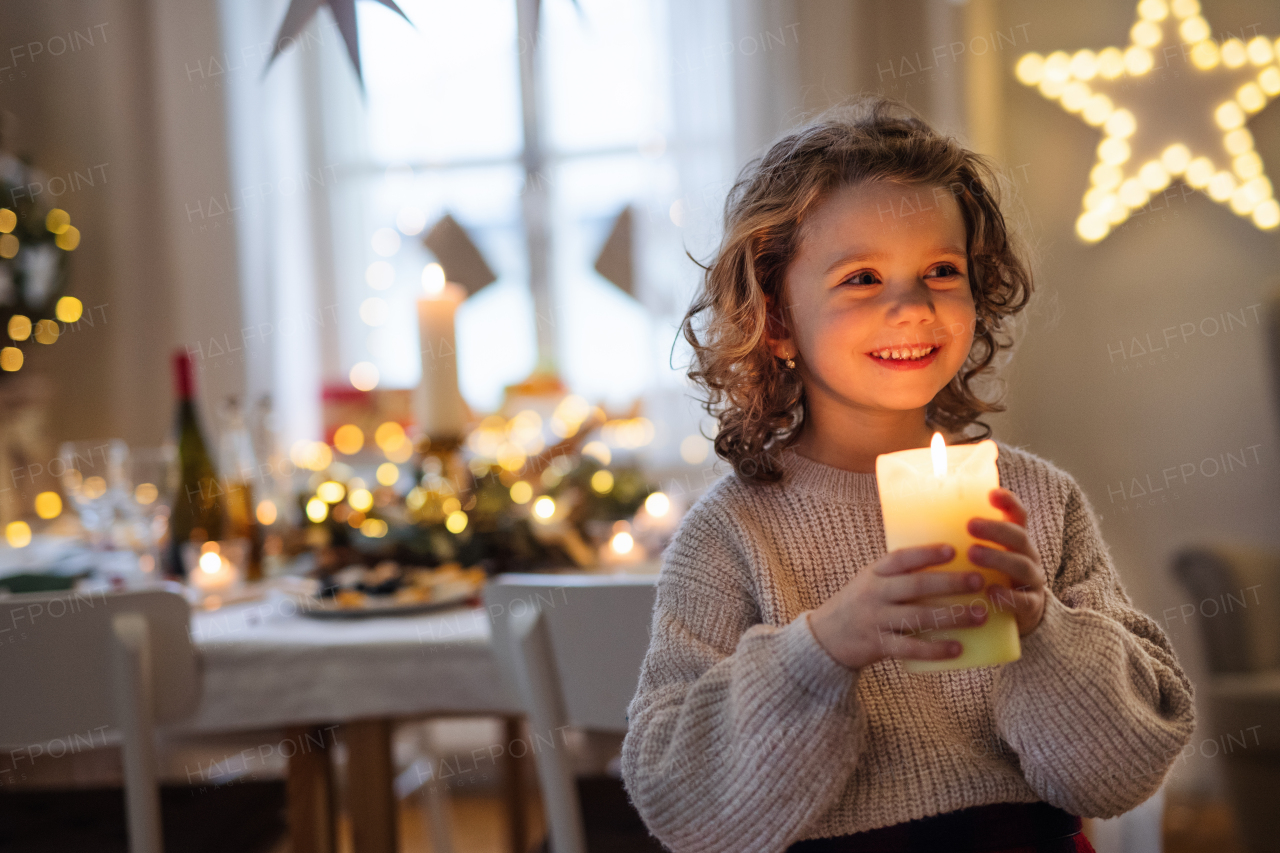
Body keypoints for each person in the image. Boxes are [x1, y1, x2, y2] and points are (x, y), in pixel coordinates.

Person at [619, 96, 1196, 853]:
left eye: (941, 270)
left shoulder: (1040, 502)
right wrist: (823, 646)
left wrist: (1043, 628)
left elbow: (1119, 772)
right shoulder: (732, 534)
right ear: (780, 320)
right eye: (861, 277)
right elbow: (680, 801)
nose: (912, 305)